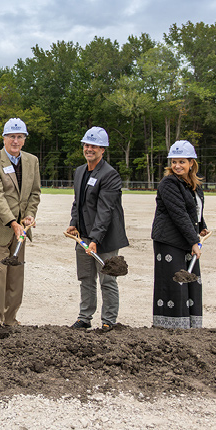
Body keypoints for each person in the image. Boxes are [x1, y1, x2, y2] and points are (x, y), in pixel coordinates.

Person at [0, 118, 41, 326]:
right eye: (11, 136)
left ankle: (10, 320)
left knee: (15, 280)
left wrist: (30, 214)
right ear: (4, 138)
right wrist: (13, 223)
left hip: (20, 230)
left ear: (24, 140)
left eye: (20, 137)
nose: (15, 140)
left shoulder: (32, 161)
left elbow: (35, 193)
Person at [65, 126, 128, 332]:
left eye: (94, 146)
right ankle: (84, 317)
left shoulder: (110, 175)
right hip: (83, 237)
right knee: (85, 278)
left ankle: (109, 320)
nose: (89, 149)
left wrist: (95, 239)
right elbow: (78, 202)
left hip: (104, 238)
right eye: (86, 145)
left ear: (103, 149)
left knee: (107, 279)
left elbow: (105, 211)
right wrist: (74, 223)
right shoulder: (80, 171)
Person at [151, 140, 209, 329]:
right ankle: (170, 326)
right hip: (169, 240)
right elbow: (178, 213)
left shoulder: (193, 183)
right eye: (174, 161)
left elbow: (194, 209)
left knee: (190, 281)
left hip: (187, 238)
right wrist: (194, 241)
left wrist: (201, 226)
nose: (177, 166)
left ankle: (190, 325)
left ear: (191, 162)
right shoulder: (169, 183)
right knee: (175, 283)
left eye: (182, 162)